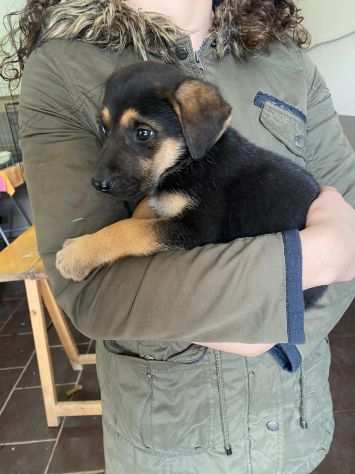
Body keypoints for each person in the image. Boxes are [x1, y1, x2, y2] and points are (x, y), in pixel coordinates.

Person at [2, 0, 355, 472]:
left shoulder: (283, 59)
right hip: (172, 447)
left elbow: (350, 234)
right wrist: (306, 264)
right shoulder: (66, 66)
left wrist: (283, 334)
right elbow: (92, 289)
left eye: (141, 135)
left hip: (294, 427)